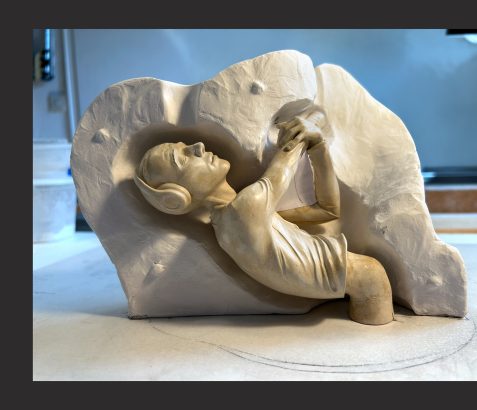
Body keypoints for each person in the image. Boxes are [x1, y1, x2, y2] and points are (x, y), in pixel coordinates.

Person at [134, 110, 394, 325]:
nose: (198, 147)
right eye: (182, 159)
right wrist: (310, 130)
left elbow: (328, 210)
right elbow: (291, 148)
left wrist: (319, 146)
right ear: (179, 196)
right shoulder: (246, 209)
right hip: (367, 279)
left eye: (186, 147)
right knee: (376, 344)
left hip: (356, 281)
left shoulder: (232, 222)